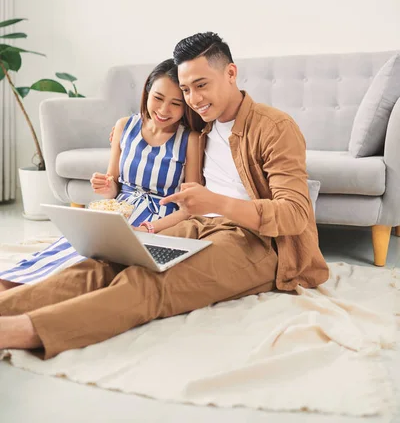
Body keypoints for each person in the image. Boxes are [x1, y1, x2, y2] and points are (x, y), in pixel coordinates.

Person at [0, 32, 329, 357]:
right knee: (106, 263)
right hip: (198, 225)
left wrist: (215, 203)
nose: (194, 98)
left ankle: (19, 331)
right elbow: (157, 126)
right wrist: (126, 132)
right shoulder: (203, 126)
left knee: (148, 283)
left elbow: (295, 214)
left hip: (255, 240)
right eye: (186, 89)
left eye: (201, 85)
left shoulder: (275, 127)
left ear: (231, 73)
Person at [0, 59, 203, 291]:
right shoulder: (124, 126)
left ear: (186, 105)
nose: (164, 110)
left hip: (159, 223)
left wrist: (148, 228)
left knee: (92, 266)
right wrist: (106, 188)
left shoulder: (190, 140)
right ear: (146, 92)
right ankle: (12, 283)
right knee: (65, 249)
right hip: (118, 215)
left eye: (176, 103)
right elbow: (114, 185)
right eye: (158, 98)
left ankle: (35, 293)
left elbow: (190, 207)